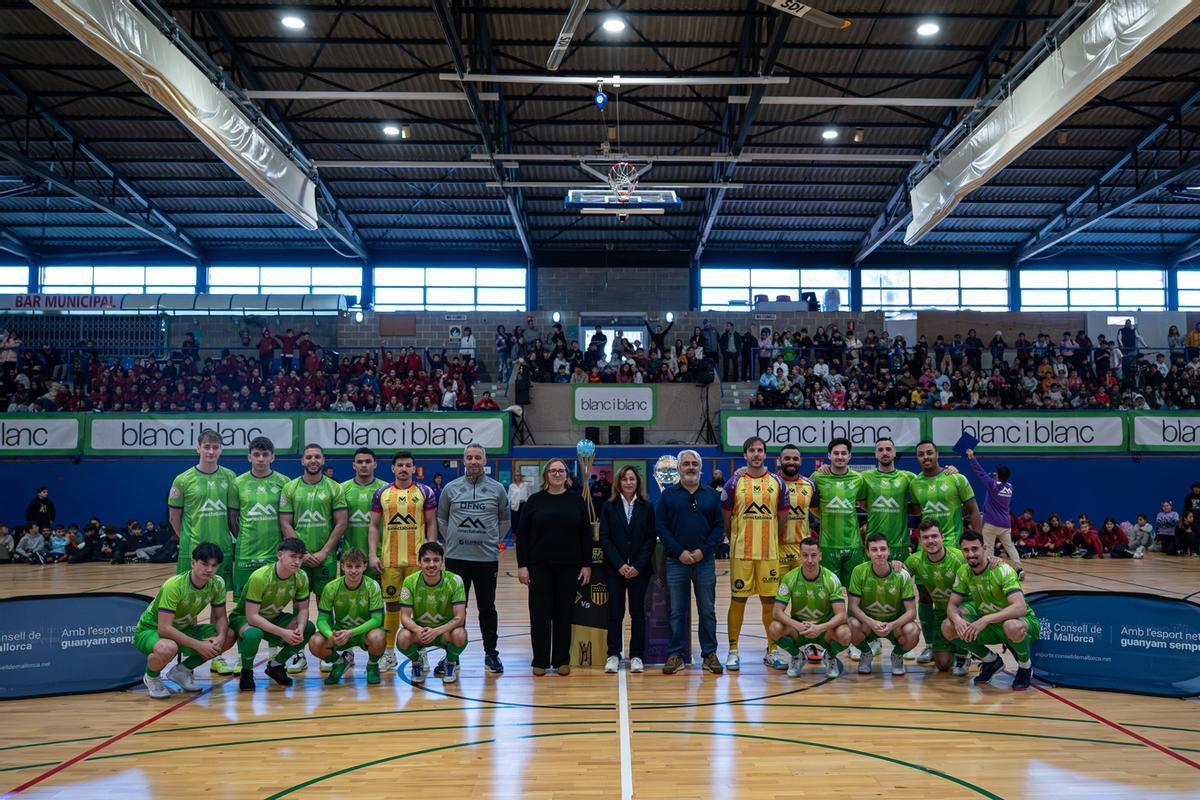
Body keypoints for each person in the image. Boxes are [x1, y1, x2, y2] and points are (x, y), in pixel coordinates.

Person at [515, 458, 592, 676]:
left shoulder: (576, 500)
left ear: (567, 475)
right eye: (553, 471)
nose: (557, 474)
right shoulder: (535, 501)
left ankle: (561, 660)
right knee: (540, 614)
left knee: (563, 614)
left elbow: (585, 534)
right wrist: (522, 565)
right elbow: (522, 535)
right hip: (539, 567)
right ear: (546, 475)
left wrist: (586, 564)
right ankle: (540, 660)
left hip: (569, 567)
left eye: (561, 471)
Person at [438, 443, 510, 676]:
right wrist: (451, 539)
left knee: (487, 607)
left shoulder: (497, 489)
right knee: (456, 608)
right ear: (464, 461)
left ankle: (491, 653)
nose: (473, 462)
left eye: (478, 457)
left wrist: (493, 540)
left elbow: (505, 520)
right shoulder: (451, 488)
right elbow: (441, 518)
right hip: (456, 558)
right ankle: (452, 655)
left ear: (485, 461)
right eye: (469, 458)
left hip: (486, 559)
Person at [721, 436, 790, 671]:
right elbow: (726, 520)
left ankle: (772, 650)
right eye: (752, 450)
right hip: (741, 553)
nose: (756, 454)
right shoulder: (734, 483)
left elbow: (782, 520)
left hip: (769, 553)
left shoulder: (777, 483)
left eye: (760, 450)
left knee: (769, 602)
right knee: (738, 600)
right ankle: (733, 651)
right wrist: (737, 539)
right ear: (745, 455)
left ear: (765, 454)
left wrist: (771, 540)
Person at [279, 443, 348, 673]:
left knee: (326, 606)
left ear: (323, 460)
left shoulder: (335, 488)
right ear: (302, 461)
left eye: (317, 456)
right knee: (298, 605)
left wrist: (324, 552)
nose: (313, 460)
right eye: (308, 456)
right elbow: (285, 523)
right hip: (298, 559)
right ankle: (296, 653)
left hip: (324, 558)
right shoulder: (289, 488)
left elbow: (341, 523)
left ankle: (328, 651)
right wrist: (303, 553)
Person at [134, 542, 235, 698]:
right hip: (151, 630)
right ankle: (152, 677)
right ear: (193, 562)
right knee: (167, 648)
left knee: (229, 634)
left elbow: (221, 616)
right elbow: (164, 628)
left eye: (214, 565)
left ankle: (181, 671)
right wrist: (199, 645)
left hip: (184, 629)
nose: (209, 569)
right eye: (204, 564)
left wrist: (221, 637)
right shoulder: (174, 585)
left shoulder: (217, 583)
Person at [943, 530, 1040, 691]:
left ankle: (1025, 666)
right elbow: (952, 605)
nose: (970, 554)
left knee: (1011, 626)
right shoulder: (964, 572)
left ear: (984, 548)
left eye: (975, 549)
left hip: (1022, 622)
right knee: (948, 626)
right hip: (991, 625)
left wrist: (986, 619)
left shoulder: (1002, 570)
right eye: (966, 550)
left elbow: (1020, 607)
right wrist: (957, 620)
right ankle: (990, 661)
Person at [656, 449, 725, 675]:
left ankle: (709, 654)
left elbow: (719, 528)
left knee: (707, 610)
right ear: (679, 468)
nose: (690, 467)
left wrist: (703, 551)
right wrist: (680, 552)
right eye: (686, 464)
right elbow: (661, 527)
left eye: (694, 463)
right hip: (677, 562)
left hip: (704, 562)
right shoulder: (668, 495)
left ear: (700, 467)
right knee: (677, 611)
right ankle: (676, 654)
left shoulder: (711, 495)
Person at [370, 450, 437, 673]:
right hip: (389, 561)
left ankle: (421, 652)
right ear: (393, 468)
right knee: (391, 607)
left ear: (414, 468)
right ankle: (389, 654)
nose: (404, 469)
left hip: (417, 562)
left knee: (419, 608)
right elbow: (373, 526)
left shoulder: (425, 492)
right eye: (400, 465)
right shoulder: (381, 493)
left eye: (408, 465)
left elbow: (431, 523)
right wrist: (373, 555)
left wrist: (431, 554)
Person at [229, 538, 317, 692]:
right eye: (293, 556)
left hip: (273, 617)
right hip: (244, 618)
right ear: (280, 555)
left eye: (300, 557)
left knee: (308, 627)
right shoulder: (260, 577)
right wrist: (283, 632)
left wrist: (301, 627)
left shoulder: (301, 576)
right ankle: (247, 672)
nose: (297, 561)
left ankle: (276, 666)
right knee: (253, 634)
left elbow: (303, 609)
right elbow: (252, 617)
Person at [599, 465, 656, 674]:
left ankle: (637, 656)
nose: (629, 482)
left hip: (639, 571)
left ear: (637, 481)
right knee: (615, 612)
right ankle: (613, 654)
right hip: (616, 570)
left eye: (632, 479)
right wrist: (620, 564)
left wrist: (637, 566)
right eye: (625, 479)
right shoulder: (609, 506)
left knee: (637, 612)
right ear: (619, 483)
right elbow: (604, 538)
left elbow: (650, 539)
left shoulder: (647, 507)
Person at [769, 537, 851, 679]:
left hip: (824, 630)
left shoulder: (831, 579)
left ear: (820, 556)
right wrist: (798, 625)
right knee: (774, 628)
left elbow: (842, 615)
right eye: (805, 555)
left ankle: (829, 656)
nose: (810, 560)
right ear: (799, 556)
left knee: (846, 634)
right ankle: (797, 656)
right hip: (800, 629)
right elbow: (776, 612)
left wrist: (819, 628)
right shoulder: (789, 578)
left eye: (813, 555)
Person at [309, 547, 386, 685]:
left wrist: (351, 632)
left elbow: (377, 620)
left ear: (364, 566)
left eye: (358, 566)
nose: (353, 571)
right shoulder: (331, 587)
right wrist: (331, 635)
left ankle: (372, 665)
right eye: (349, 566)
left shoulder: (372, 586)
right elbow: (321, 620)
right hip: (340, 632)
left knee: (378, 637)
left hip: (364, 633)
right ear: (342, 566)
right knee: (315, 642)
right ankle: (339, 663)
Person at [168, 430, 236, 583]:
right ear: (198, 448)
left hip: (222, 547)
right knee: (187, 590)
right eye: (206, 447)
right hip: (192, 549)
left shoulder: (230, 477)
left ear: (221, 449)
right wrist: (186, 538)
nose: (211, 451)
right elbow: (173, 518)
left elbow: (233, 515)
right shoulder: (182, 480)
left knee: (220, 591)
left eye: (215, 447)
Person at [847, 533, 920, 675]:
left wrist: (892, 625)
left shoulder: (901, 574)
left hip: (894, 626)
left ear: (889, 551)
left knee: (913, 630)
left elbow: (912, 612)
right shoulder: (859, 571)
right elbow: (853, 607)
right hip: (869, 625)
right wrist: (872, 622)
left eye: (883, 549)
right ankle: (866, 654)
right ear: (868, 553)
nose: (879, 553)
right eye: (874, 550)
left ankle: (897, 656)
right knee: (851, 625)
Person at [396, 541, 468, 683]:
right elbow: (404, 617)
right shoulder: (410, 581)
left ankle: (450, 662)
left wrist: (436, 632)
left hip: (444, 632)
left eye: (436, 560)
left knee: (460, 634)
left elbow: (460, 618)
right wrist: (419, 630)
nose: (431, 564)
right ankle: (417, 662)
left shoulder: (455, 580)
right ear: (419, 562)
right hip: (421, 632)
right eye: (427, 560)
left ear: (442, 561)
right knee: (402, 637)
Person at [904, 519, 969, 673]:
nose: (930, 541)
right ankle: (951, 647)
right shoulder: (915, 561)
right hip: (941, 613)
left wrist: (994, 560)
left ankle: (965, 654)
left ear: (942, 537)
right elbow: (897, 578)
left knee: (961, 616)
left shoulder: (959, 558)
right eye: (926, 537)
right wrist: (896, 565)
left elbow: (982, 565)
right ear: (920, 540)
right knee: (943, 665)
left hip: (964, 610)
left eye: (934, 536)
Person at [808, 438, 866, 588]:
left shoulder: (858, 479)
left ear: (849, 456)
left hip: (853, 545)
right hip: (827, 546)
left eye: (843, 453)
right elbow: (809, 503)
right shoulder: (817, 477)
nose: (840, 457)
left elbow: (864, 503)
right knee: (828, 589)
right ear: (829, 455)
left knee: (855, 590)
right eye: (836, 453)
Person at [909, 441, 982, 548]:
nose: (925, 457)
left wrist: (978, 541)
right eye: (921, 454)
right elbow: (916, 510)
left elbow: (973, 510)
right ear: (917, 458)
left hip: (953, 544)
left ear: (937, 454)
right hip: (927, 545)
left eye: (929, 453)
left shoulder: (956, 478)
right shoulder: (914, 484)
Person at [856, 437, 917, 561]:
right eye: (880, 450)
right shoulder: (864, 477)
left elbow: (928, 481)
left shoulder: (908, 477)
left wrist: (949, 470)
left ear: (894, 453)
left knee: (901, 574)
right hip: (874, 544)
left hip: (900, 544)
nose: (884, 453)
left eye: (888, 449)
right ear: (876, 454)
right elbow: (863, 504)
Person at [965, 449, 1021, 575]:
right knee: (1010, 547)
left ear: (998, 475)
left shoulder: (993, 485)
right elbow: (1000, 483)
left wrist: (972, 458)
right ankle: (1019, 568)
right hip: (1005, 524)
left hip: (991, 523)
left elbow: (980, 473)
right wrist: (998, 478)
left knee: (989, 547)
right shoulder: (1010, 487)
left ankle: (989, 570)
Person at [340, 447, 387, 572]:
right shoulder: (342, 489)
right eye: (360, 462)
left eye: (368, 461)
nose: (364, 465)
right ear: (354, 465)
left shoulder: (386, 489)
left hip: (379, 554)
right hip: (350, 554)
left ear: (375, 464)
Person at [508, 469, 531, 545]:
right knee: (514, 522)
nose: (517, 477)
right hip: (515, 506)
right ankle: (514, 539)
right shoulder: (511, 486)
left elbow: (529, 494)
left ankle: (522, 538)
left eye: (519, 475)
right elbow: (509, 496)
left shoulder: (525, 485)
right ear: (514, 477)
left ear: (521, 477)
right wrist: (509, 504)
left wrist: (528, 503)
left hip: (523, 505)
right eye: (516, 475)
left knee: (523, 521)